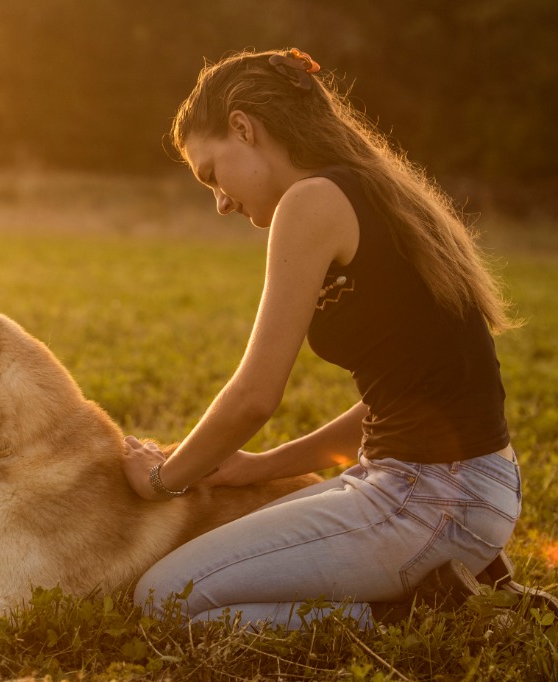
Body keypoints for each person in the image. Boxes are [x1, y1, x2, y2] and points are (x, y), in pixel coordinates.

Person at [121, 47, 523, 630]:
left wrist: (162, 480)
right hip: (449, 488)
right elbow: (410, 394)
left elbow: (256, 394)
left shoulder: (312, 202)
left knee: (164, 597)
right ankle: (449, 576)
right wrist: (259, 467)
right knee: (200, 566)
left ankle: (426, 610)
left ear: (244, 127)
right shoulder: (371, 191)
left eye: (212, 173)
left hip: (432, 499)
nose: (220, 202)